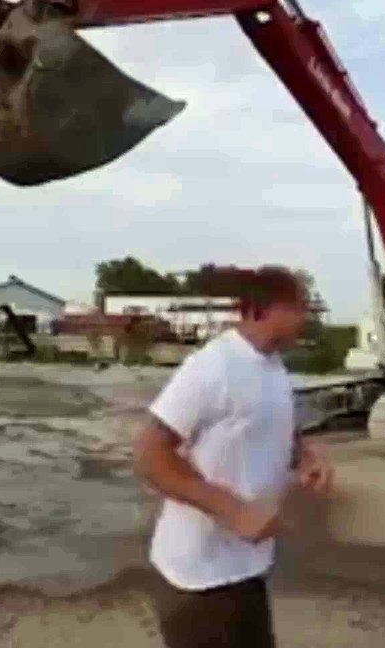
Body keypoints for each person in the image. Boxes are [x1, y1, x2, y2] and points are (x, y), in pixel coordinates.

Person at [133, 266, 336, 648]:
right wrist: (233, 510)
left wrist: (305, 457)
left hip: (247, 569)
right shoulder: (213, 367)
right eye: (299, 308)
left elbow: (272, 424)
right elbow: (149, 454)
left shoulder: (273, 365)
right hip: (200, 581)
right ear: (262, 309)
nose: (306, 318)